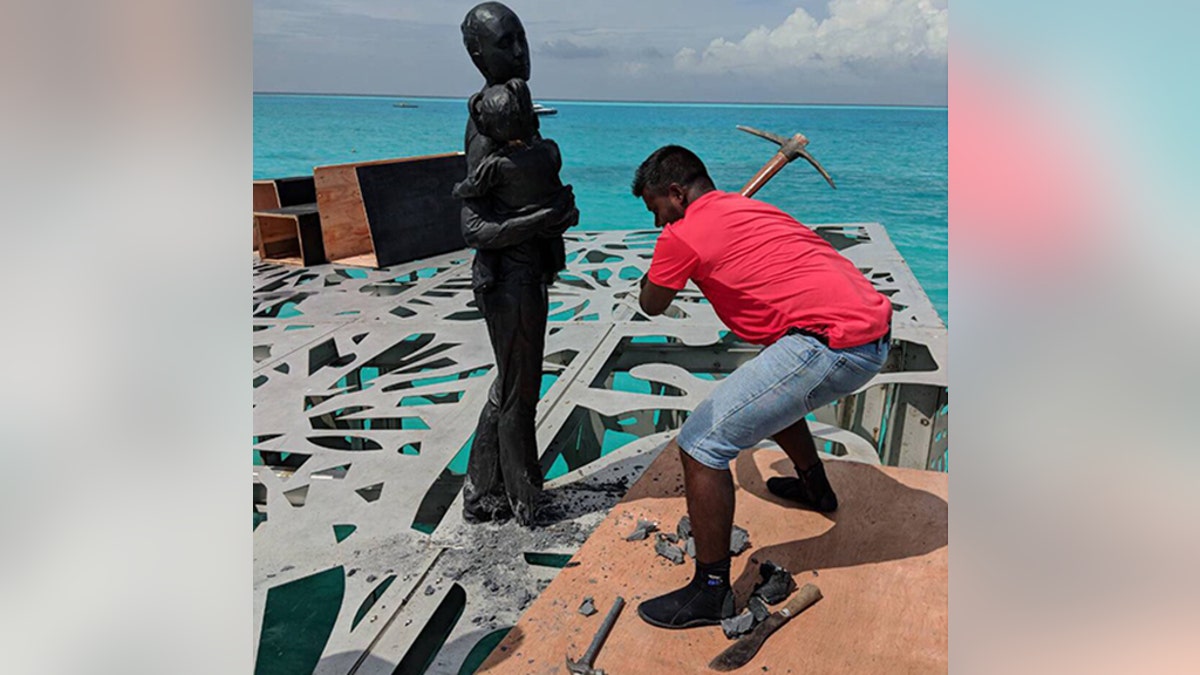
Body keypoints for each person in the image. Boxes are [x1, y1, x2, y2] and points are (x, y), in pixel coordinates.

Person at [631, 145, 893, 629]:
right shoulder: (750, 208)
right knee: (772, 383)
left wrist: (662, 260)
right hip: (872, 330)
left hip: (834, 345)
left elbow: (652, 304)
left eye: (656, 210)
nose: (656, 223)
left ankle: (709, 593)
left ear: (674, 192)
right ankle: (816, 488)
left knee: (701, 444)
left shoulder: (679, 237)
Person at [458, 2, 578, 526]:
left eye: (522, 38)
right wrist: (538, 221)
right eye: (506, 43)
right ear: (478, 54)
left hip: (528, 273)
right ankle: (525, 497)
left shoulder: (519, 117)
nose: (520, 52)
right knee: (518, 392)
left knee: (511, 384)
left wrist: (556, 217)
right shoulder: (488, 126)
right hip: (506, 279)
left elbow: (543, 201)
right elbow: (473, 229)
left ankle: (485, 489)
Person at [452, 77, 568, 282]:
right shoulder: (550, 150)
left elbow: (473, 187)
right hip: (545, 243)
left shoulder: (496, 166)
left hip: (513, 261)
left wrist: (457, 189)